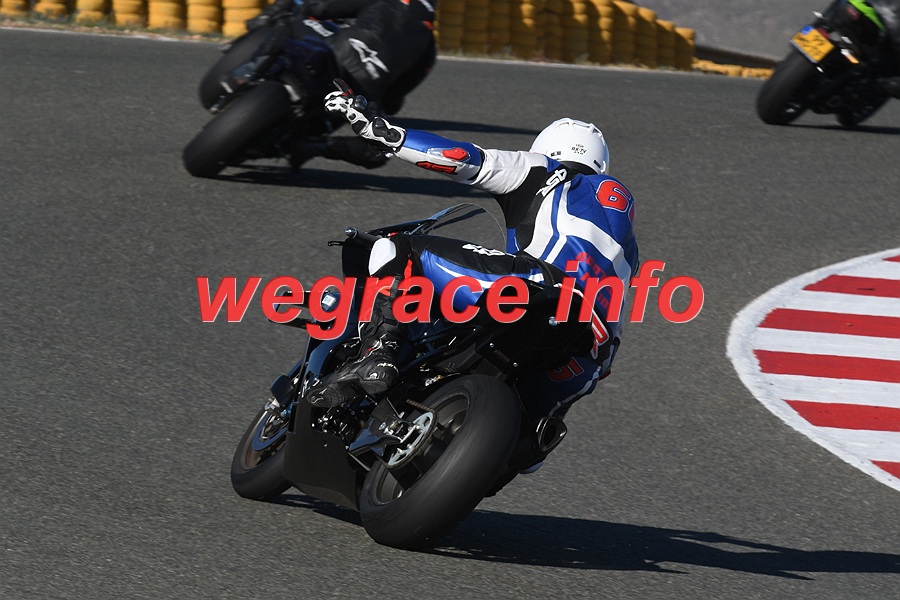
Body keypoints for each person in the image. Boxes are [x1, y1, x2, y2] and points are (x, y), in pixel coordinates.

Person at [306, 80, 640, 461]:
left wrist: (384, 132)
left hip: (538, 287)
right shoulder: (629, 250)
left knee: (397, 249)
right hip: (588, 355)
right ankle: (515, 444)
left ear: (549, 148)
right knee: (524, 451)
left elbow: (463, 159)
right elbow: (615, 327)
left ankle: (380, 350)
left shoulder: (548, 172)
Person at [222, 0, 438, 169]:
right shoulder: (428, 48)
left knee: (289, 22)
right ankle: (316, 145)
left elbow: (319, 8)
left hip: (335, 58)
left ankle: (247, 71)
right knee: (380, 149)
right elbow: (393, 99)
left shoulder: (384, 1)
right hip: (359, 91)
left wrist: (309, 12)